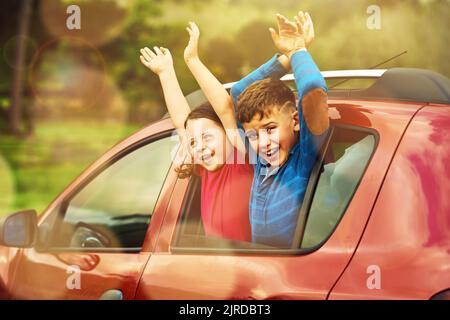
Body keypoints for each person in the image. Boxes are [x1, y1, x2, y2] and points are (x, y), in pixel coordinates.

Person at [228, 11, 330, 247]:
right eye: (253, 134)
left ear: (295, 121)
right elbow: (237, 94)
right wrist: (285, 58)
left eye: (270, 129)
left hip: (293, 276)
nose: (262, 142)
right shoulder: (259, 161)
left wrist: (298, 52)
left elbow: (313, 88)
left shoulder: (304, 157)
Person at [139, 36, 253, 242]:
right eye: (193, 142)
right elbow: (182, 122)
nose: (199, 147)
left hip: (247, 266)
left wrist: (192, 60)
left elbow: (225, 109)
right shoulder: (205, 169)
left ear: (228, 133)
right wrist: (166, 73)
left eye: (207, 137)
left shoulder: (241, 161)